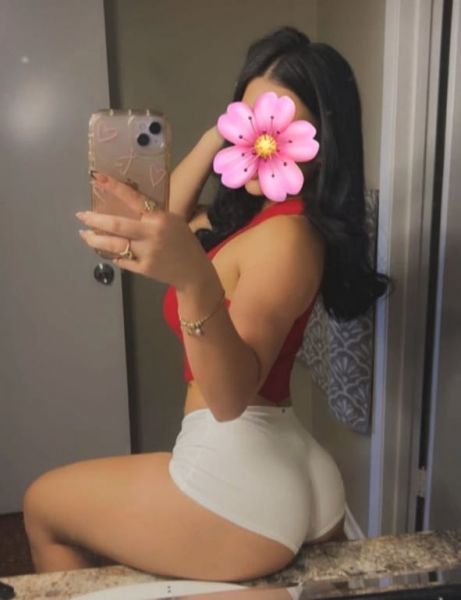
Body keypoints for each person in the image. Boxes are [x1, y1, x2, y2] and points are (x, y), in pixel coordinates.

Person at [23, 26, 389, 581]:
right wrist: (214, 138)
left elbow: (229, 399)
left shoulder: (288, 238)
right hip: (277, 452)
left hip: (241, 465)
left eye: (278, 126)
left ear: (321, 141)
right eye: (249, 120)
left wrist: (194, 280)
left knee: (43, 506)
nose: (260, 139)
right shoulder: (252, 222)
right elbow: (156, 220)